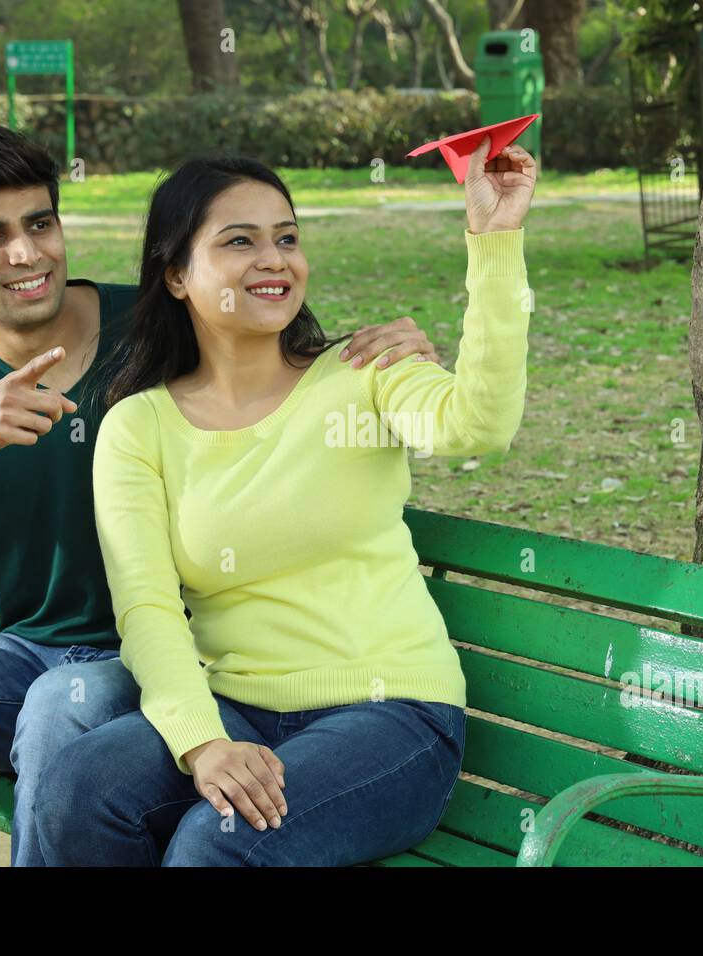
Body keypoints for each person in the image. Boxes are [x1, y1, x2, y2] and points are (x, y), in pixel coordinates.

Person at [0, 116, 440, 867]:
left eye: (40, 222)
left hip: (177, 664)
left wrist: (391, 348)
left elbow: (283, 347)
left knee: (65, 710)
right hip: (27, 654)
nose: (26, 254)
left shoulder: (158, 322)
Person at [34, 135, 536, 866]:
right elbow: (146, 609)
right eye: (240, 241)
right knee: (77, 790)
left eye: (287, 238)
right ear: (176, 275)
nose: (274, 260)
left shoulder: (365, 371)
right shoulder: (139, 426)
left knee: (221, 843)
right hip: (235, 704)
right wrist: (203, 742)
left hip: (389, 713)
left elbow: (479, 424)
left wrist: (494, 242)